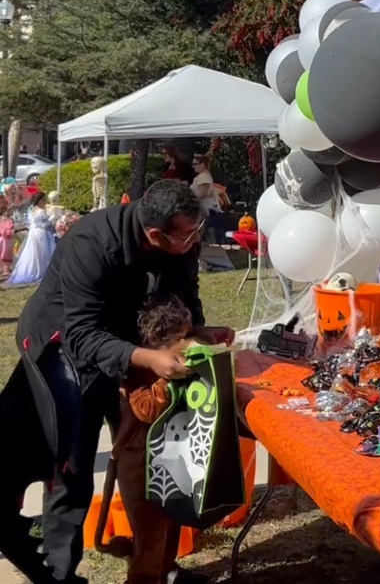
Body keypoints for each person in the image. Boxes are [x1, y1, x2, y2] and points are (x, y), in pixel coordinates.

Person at [0, 180, 235, 584]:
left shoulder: (181, 239)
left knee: (155, 465)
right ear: (156, 233)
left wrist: (196, 329)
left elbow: (184, 291)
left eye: (198, 231)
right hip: (67, 357)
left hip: (134, 350)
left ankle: (155, 569)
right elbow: (81, 334)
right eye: (188, 236)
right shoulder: (90, 243)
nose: (195, 240)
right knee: (70, 474)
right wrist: (148, 358)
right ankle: (59, 576)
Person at [115, 295, 199, 584]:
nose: (185, 343)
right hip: (138, 460)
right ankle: (144, 578)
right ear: (155, 340)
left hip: (166, 454)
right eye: (179, 338)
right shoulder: (136, 369)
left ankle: (166, 570)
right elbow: (147, 409)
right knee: (149, 530)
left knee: (171, 519)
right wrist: (167, 378)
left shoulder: (169, 355)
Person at [7, 192, 57, 286]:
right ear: (39, 201)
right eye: (43, 200)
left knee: (34, 253)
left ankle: (34, 270)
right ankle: (40, 271)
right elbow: (43, 224)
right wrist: (53, 218)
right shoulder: (40, 211)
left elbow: (30, 224)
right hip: (41, 233)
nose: (45, 201)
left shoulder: (32, 210)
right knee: (42, 253)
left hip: (33, 234)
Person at [0, 199, 14, 278]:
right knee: (6, 254)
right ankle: (5, 270)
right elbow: (9, 230)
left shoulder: (6, 219)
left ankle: (3, 269)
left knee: (2, 253)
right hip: (5, 239)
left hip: (3, 238)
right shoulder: (7, 220)